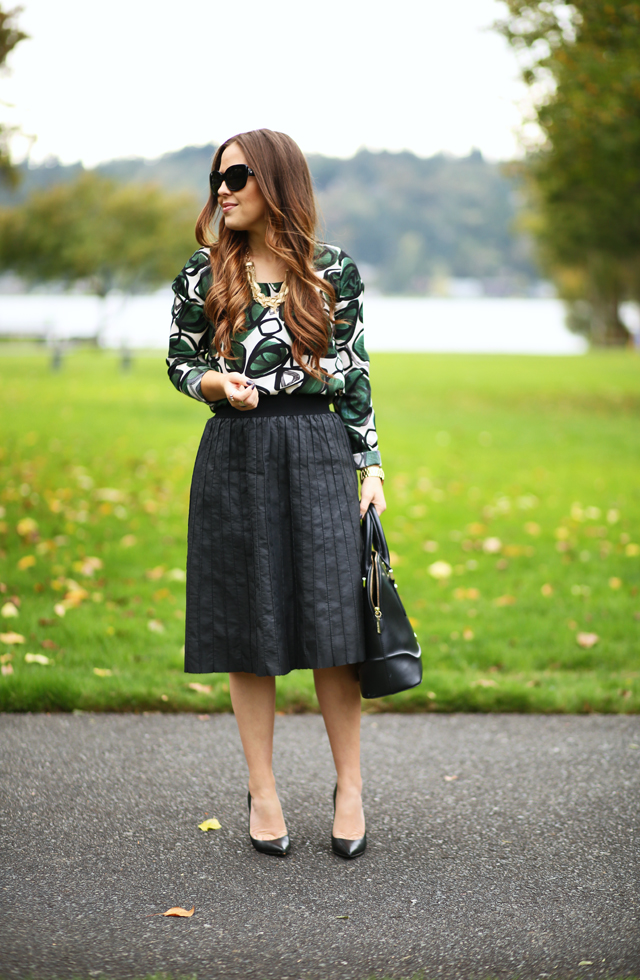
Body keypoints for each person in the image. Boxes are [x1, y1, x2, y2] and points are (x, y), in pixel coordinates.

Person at [167, 129, 385, 859]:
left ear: (276, 182)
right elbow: (179, 361)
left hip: (319, 449)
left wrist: (372, 468)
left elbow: (353, 376)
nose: (221, 189)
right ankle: (262, 789)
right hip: (235, 452)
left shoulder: (335, 275)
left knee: (334, 625)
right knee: (247, 622)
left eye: (236, 175)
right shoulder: (203, 274)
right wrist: (213, 383)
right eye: (216, 177)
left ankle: (348, 786)